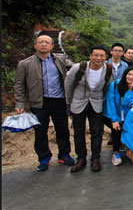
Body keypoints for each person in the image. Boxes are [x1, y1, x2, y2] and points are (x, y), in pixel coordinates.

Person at [14, 35, 74, 171]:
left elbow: (74, 69)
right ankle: (44, 158)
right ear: (35, 45)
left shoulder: (60, 59)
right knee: (40, 131)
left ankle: (64, 154)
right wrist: (19, 103)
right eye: (40, 42)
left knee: (62, 128)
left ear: (52, 46)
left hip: (59, 100)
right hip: (39, 102)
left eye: (47, 42)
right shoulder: (25, 64)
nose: (43, 45)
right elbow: (19, 85)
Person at [65, 44, 112, 173]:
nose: (98, 58)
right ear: (90, 56)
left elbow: (108, 86)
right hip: (78, 103)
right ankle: (81, 158)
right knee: (78, 131)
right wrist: (68, 102)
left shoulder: (108, 69)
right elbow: (68, 84)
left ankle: (95, 158)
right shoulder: (78, 68)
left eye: (101, 55)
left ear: (105, 57)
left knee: (97, 132)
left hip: (97, 104)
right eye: (96, 55)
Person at [103, 67, 133, 166]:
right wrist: (114, 120)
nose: (131, 77)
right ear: (125, 74)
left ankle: (127, 147)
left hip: (124, 114)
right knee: (117, 129)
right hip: (110, 114)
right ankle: (116, 153)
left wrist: (130, 89)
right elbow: (110, 103)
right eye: (129, 74)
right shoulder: (114, 85)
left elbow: (126, 103)